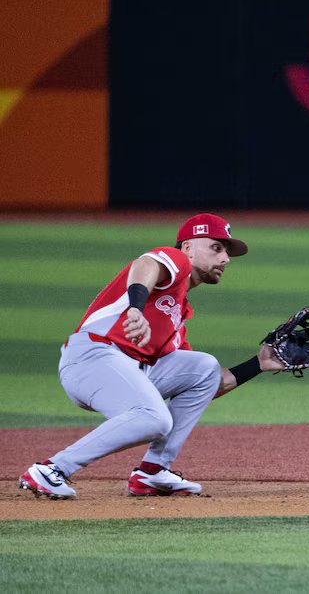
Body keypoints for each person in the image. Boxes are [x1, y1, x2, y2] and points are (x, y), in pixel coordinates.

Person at [18, 213, 285, 500]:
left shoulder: (178, 315)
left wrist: (257, 365)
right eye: (216, 248)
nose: (225, 259)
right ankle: (52, 469)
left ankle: (152, 471)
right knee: (155, 419)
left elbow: (208, 386)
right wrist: (135, 307)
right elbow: (145, 264)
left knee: (204, 367)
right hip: (91, 358)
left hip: (124, 371)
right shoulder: (176, 260)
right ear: (188, 247)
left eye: (226, 252)